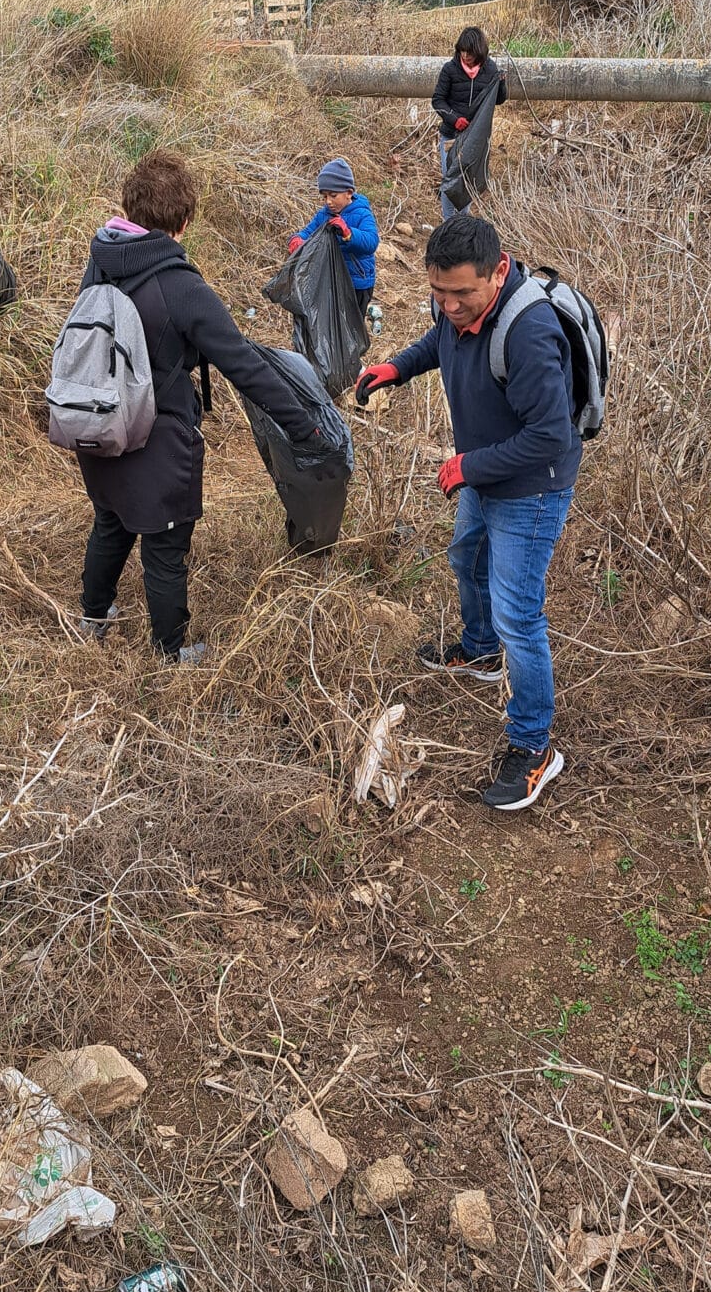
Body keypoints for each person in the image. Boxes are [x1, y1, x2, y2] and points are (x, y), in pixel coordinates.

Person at [355, 212, 581, 811]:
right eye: (438, 292)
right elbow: (441, 341)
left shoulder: (529, 333)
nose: (449, 305)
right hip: (482, 470)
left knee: (518, 614)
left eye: (461, 293)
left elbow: (550, 437)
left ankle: (534, 746)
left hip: (530, 489)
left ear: (498, 271)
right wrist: (397, 367)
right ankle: (479, 652)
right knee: (466, 558)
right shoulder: (452, 308)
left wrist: (468, 466)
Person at [74, 149, 319, 664]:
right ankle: (170, 652)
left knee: (111, 517)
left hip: (99, 421)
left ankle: (93, 616)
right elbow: (244, 365)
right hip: (157, 436)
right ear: (184, 222)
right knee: (165, 546)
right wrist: (304, 425)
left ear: (128, 208)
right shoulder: (181, 287)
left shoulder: (102, 259)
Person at [431, 26, 506, 222]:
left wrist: (501, 84)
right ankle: (449, 222)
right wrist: (454, 119)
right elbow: (438, 100)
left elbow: (499, 100)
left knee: (468, 180)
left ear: (479, 52)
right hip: (451, 136)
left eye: (470, 53)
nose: (465, 56)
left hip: (475, 139)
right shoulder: (450, 69)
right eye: (462, 51)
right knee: (451, 181)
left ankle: (462, 222)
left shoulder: (490, 69)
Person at [287, 157, 380, 304]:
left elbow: (371, 242)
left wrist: (349, 234)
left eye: (333, 195)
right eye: (325, 196)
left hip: (357, 283)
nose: (328, 201)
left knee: (352, 319)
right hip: (331, 281)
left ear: (349, 193)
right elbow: (308, 232)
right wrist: (296, 239)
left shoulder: (362, 213)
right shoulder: (324, 215)